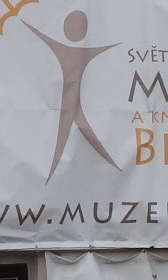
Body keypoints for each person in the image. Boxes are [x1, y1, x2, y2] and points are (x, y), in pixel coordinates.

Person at [23, 9, 118, 176]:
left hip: (71, 105)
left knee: (67, 140)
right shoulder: (67, 47)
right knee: (65, 141)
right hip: (67, 104)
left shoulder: (69, 47)